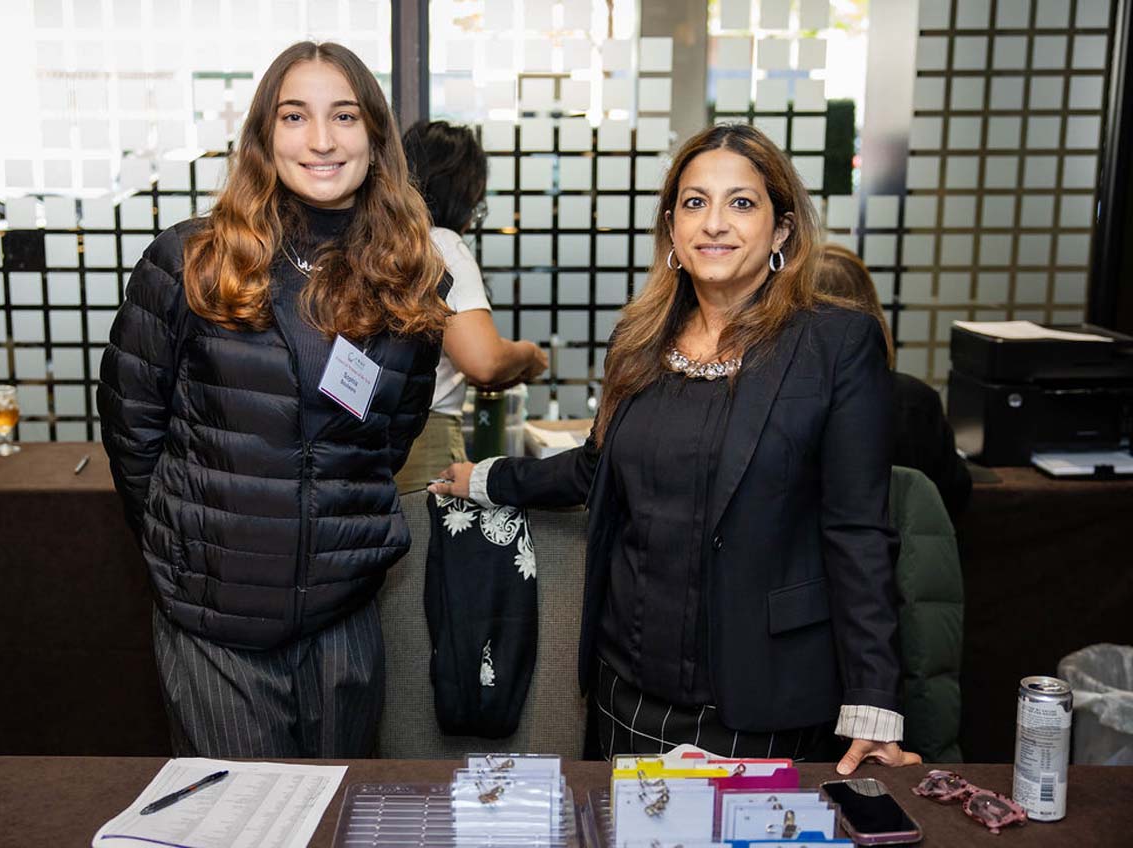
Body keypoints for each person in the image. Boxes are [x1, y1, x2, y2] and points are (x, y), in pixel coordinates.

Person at [430, 123, 921, 774]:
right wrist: (486, 479)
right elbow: (593, 469)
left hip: (764, 696)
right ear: (672, 230)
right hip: (627, 687)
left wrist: (873, 704)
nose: (714, 222)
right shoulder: (637, 342)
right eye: (694, 202)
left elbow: (858, 531)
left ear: (780, 230)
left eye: (741, 203)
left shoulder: (835, 347)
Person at [98, 41, 450, 758]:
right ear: (264, 136)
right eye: (295, 116)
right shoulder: (189, 260)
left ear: (376, 137)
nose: (321, 140)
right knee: (239, 824)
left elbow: (389, 438)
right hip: (215, 617)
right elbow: (131, 430)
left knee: (339, 815)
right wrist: (189, 548)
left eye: (344, 116)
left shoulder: (411, 280)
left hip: (342, 617)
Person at [394, 120, 547, 492]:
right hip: (425, 441)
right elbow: (484, 362)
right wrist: (530, 356)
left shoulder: (383, 245)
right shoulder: (441, 244)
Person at [817, 243, 972, 518]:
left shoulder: (771, 400)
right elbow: (951, 499)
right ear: (870, 308)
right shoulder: (915, 401)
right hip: (899, 555)